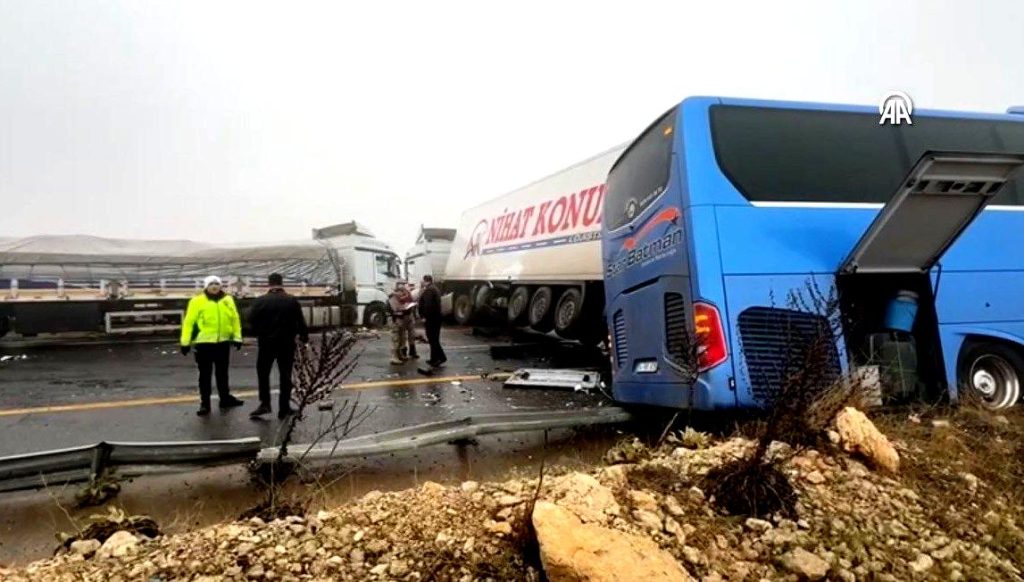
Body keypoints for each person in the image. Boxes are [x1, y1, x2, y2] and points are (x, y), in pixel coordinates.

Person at [247, 273, 309, 420]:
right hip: (286, 343)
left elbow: (250, 320)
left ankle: (265, 404)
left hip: (266, 343)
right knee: (285, 375)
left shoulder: (261, 301)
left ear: (269, 284)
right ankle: (284, 408)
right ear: (282, 283)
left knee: (263, 373)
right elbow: (300, 321)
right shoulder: (291, 301)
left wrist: (259, 332)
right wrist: (303, 337)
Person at [180, 275, 244, 416]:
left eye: (216, 284)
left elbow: (234, 320)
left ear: (220, 285)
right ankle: (205, 403)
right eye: (211, 284)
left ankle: (225, 398)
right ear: (206, 286)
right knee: (205, 375)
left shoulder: (228, 300)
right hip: (204, 344)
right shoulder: (197, 301)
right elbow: (189, 322)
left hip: (222, 343)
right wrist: (185, 342)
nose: (214, 286)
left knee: (222, 373)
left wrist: (237, 338)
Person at [418, 275, 447, 367]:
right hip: (436, 318)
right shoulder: (434, 289)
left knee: (432, 339)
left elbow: (428, 305)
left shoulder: (429, 290)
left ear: (426, 281)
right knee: (434, 339)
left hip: (431, 319)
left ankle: (439, 358)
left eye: (422, 280)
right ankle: (435, 358)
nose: (421, 282)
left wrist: (424, 317)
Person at [387, 282, 416, 365]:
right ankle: (394, 357)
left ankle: (399, 355)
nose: (402, 293)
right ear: (397, 290)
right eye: (401, 290)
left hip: (401, 319)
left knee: (401, 338)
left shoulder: (400, 296)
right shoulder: (393, 297)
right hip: (395, 319)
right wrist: (404, 307)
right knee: (395, 338)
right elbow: (396, 308)